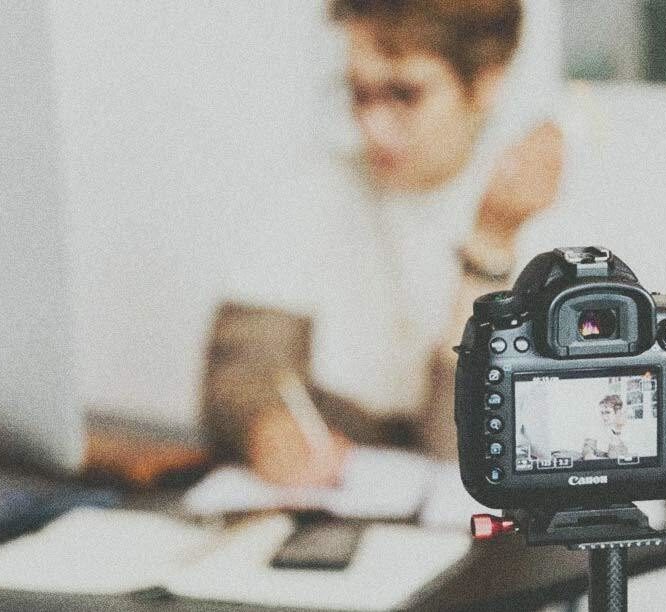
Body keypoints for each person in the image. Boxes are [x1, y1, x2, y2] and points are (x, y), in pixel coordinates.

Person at [202, 0, 564, 486]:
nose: (372, 126)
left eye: (405, 94)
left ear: (485, 83)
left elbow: (465, 452)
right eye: (359, 94)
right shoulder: (311, 190)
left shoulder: (536, 209)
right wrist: (266, 428)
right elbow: (239, 380)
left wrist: (490, 246)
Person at [583, 394, 630, 460]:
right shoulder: (598, 427)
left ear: (618, 412)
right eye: (602, 413)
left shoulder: (626, 430)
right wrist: (589, 455)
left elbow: (614, 457)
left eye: (608, 412)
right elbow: (587, 449)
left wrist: (618, 428)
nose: (604, 417)